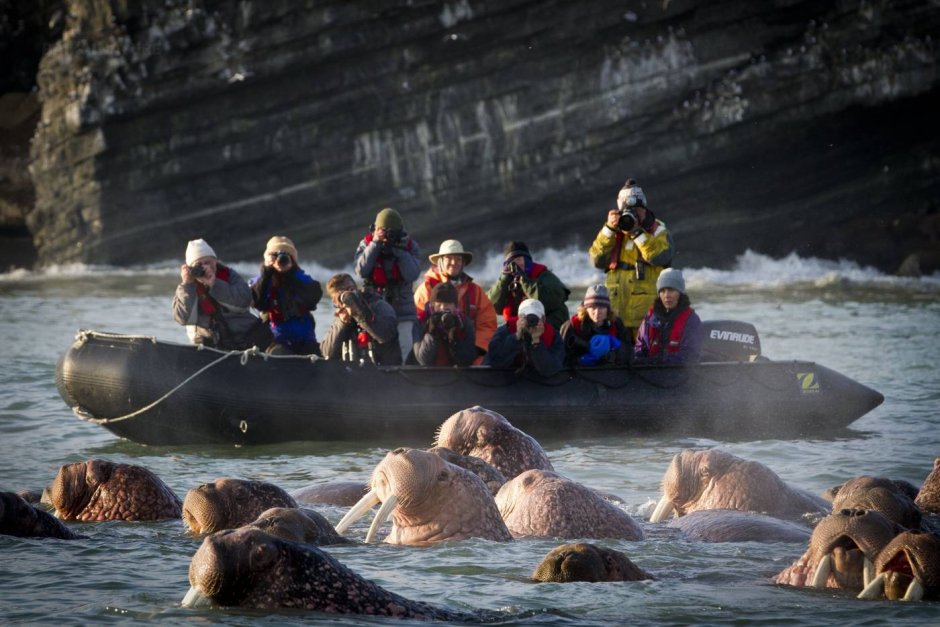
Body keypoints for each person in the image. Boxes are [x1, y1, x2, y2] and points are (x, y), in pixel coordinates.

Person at [588, 178, 674, 340]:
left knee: (642, 355)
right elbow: (596, 260)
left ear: (645, 209)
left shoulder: (658, 230)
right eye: (628, 210)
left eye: (637, 210)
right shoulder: (613, 231)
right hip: (614, 317)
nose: (632, 214)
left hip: (645, 320)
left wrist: (637, 232)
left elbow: (659, 257)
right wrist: (608, 230)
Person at [172, 238, 270, 350]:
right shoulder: (186, 287)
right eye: (199, 265)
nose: (205, 267)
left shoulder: (229, 276)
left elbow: (244, 301)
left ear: (215, 261)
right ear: (190, 268)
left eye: (208, 262)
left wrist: (215, 284)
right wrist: (187, 285)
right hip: (207, 345)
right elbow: (183, 318)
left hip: (245, 339)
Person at [413, 239, 497, 364]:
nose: (454, 262)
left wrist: (476, 351)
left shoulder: (476, 291)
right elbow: (416, 327)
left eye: (458, 259)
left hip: (466, 355)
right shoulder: (425, 289)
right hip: (432, 358)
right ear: (440, 261)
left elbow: (487, 324)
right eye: (449, 258)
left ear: (463, 263)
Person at [354, 208, 421, 361]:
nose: (386, 236)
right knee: (376, 350)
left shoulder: (409, 247)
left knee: (407, 350)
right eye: (381, 230)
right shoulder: (367, 244)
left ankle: (407, 379)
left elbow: (412, 274)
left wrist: (399, 251)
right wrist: (375, 244)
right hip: (375, 309)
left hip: (403, 310)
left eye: (390, 232)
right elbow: (360, 271)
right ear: (375, 229)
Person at [250, 236, 323, 355]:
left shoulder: (300, 277)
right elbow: (257, 302)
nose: (281, 259)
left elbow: (314, 296)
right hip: (276, 338)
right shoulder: (261, 280)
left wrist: (291, 272)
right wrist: (267, 271)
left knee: (315, 357)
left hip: (305, 338)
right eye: (275, 255)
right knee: (279, 354)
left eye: (286, 256)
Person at [319, 273, 401, 365]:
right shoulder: (341, 317)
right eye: (340, 298)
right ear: (334, 301)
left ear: (356, 289)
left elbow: (385, 335)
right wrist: (342, 323)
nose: (346, 298)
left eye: (350, 290)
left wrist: (359, 313)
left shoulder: (379, 306)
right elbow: (327, 353)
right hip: (353, 374)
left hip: (384, 372)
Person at [487, 241, 570, 330]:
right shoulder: (505, 281)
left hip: (549, 325)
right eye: (511, 262)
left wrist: (524, 281)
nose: (516, 265)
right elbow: (491, 306)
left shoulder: (544, 275)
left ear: (527, 261)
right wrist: (504, 280)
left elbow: (547, 301)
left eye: (519, 259)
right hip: (520, 327)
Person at [634, 268, 704, 364]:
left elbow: (691, 355)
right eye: (662, 291)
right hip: (650, 372)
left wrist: (661, 361)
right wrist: (638, 360)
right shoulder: (649, 318)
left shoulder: (691, 320)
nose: (667, 295)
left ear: (680, 293)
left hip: (679, 374)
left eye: (671, 290)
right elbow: (640, 348)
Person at [484, 298, 565, 377]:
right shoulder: (505, 331)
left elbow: (551, 369)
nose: (531, 322)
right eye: (526, 318)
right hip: (506, 379)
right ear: (518, 318)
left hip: (538, 382)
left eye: (535, 318)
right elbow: (494, 362)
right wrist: (517, 336)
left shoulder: (554, 336)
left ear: (543, 319)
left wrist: (537, 342)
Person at [559, 284, 632, 367]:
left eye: (601, 307)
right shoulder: (572, 326)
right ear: (586, 309)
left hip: (610, 372)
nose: (597, 313)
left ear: (608, 309)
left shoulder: (616, 324)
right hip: (580, 374)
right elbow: (560, 358)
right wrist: (580, 360)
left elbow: (630, 355)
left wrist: (617, 346)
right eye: (593, 308)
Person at [412, 281, 477, 367]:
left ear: (455, 306)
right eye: (438, 305)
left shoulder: (463, 322)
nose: (442, 308)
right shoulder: (421, 321)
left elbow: (467, 360)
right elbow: (423, 360)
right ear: (432, 306)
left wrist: (454, 338)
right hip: (425, 375)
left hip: (455, 375)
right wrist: (432, 334)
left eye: (447, 305)